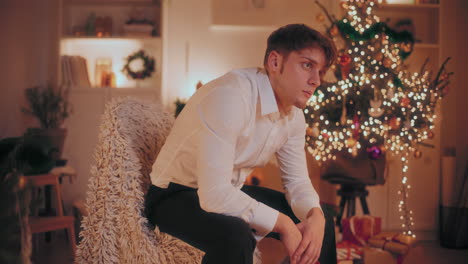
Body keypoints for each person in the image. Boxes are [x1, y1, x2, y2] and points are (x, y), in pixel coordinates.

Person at [145, 23, 337, 264]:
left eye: (321, 70)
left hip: (228, 190)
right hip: (174, 196)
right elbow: (213, 196)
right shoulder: (230, 97)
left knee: (321, 221)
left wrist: (315, 215)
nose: (316, 80)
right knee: (235, 235)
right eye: (307, 65)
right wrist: (284, 224)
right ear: (275, 62)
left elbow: (297, 182)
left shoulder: (294, 116)